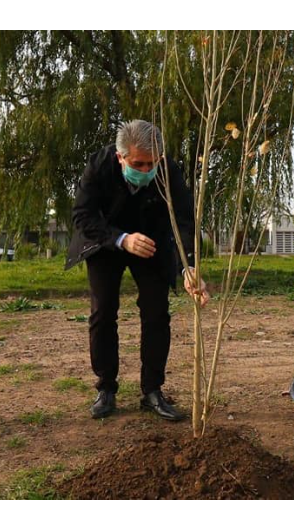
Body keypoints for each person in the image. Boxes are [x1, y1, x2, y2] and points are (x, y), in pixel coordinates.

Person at [66, 119, 209, 421]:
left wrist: (189, 266)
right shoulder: (99, 166)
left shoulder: (169, 170)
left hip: (152, 241)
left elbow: (184, 220)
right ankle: (106, 388)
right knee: (103, 311)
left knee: (157, 312)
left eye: (152, 163)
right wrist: (121, 239)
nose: (146, 170)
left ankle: (152, 390)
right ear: (121, 157)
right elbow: (82, 216)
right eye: (138, 164)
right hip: (106, 241)